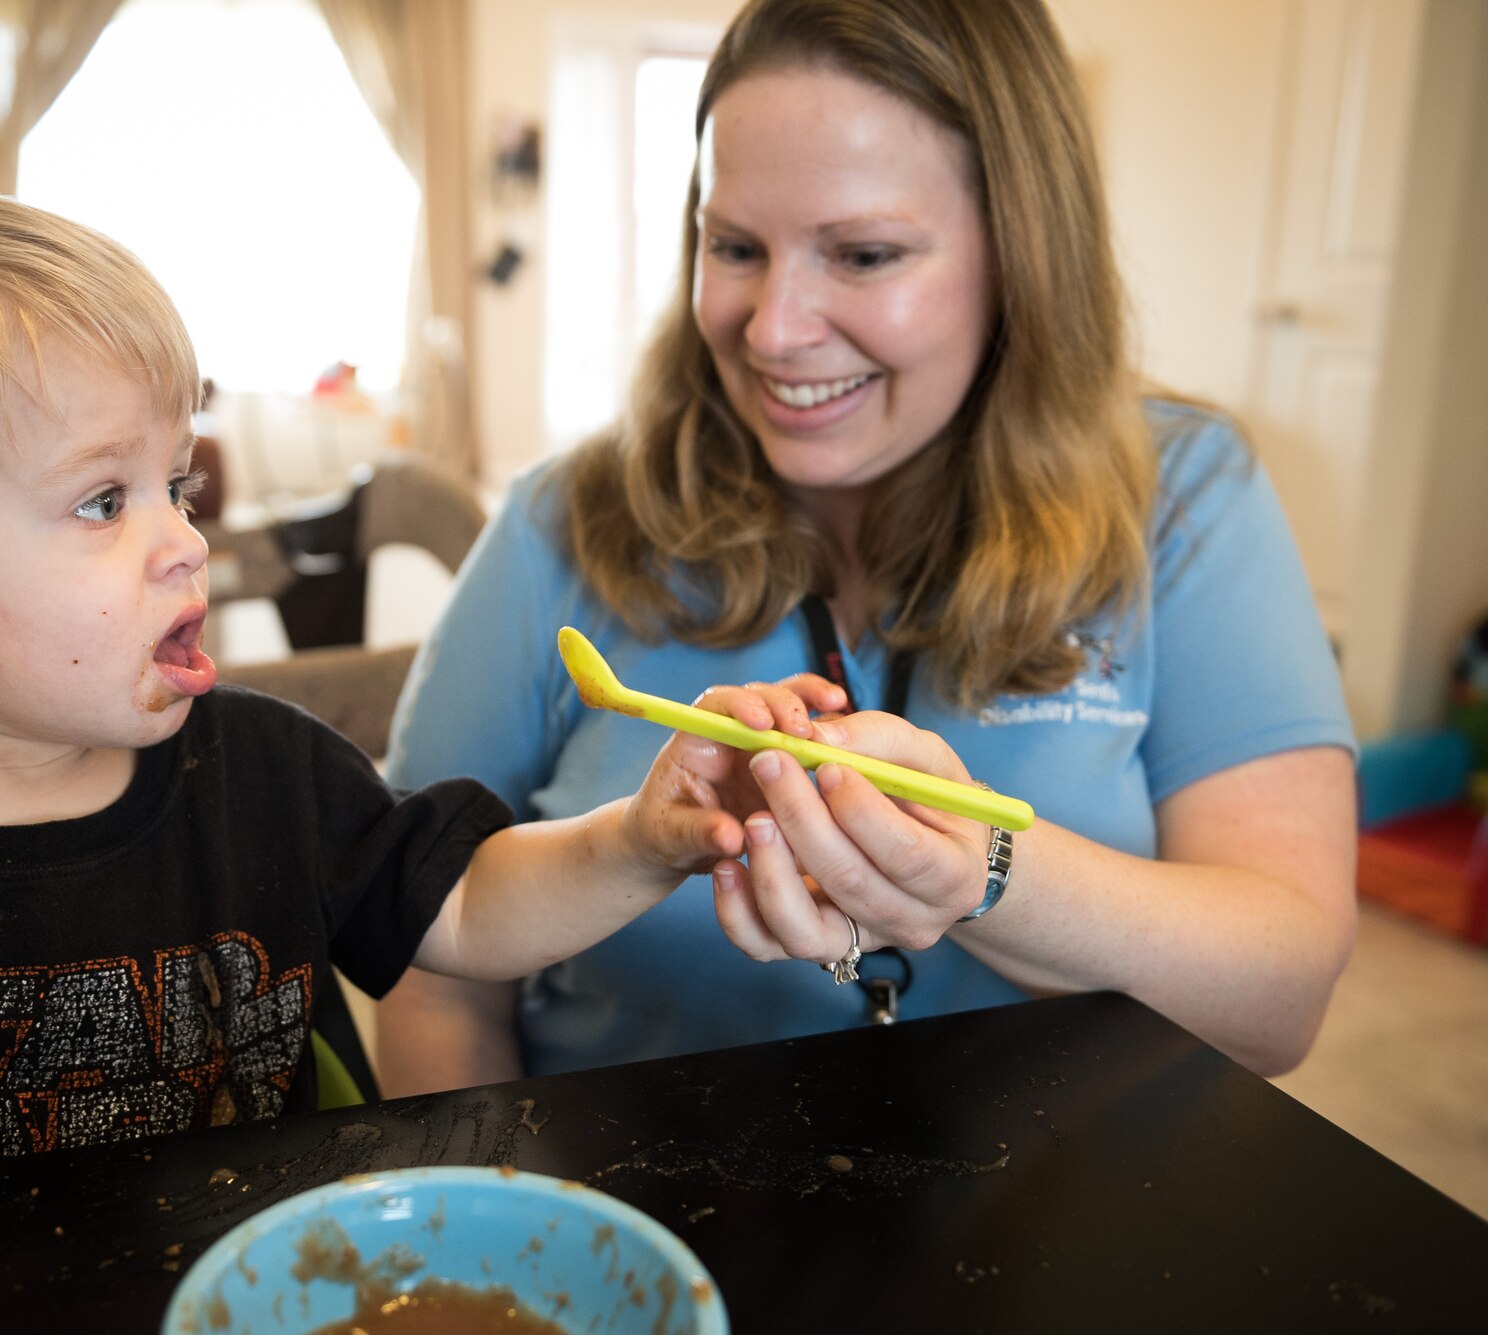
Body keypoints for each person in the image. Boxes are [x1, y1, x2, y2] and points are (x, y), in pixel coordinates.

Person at [0, 172, 783, 1210]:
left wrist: (635, 840)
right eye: (103, 501)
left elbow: (465, 912)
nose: (185, 544)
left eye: (177, 486)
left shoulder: (263, 772)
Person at [378, 0, 1357, 1095]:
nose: (772, 329)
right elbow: (426, 965)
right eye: (734, 246)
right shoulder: (559, 522)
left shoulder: (1183, 499)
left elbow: (1281, 1002)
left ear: (1021, 256)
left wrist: (984, 874)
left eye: (863, 254)